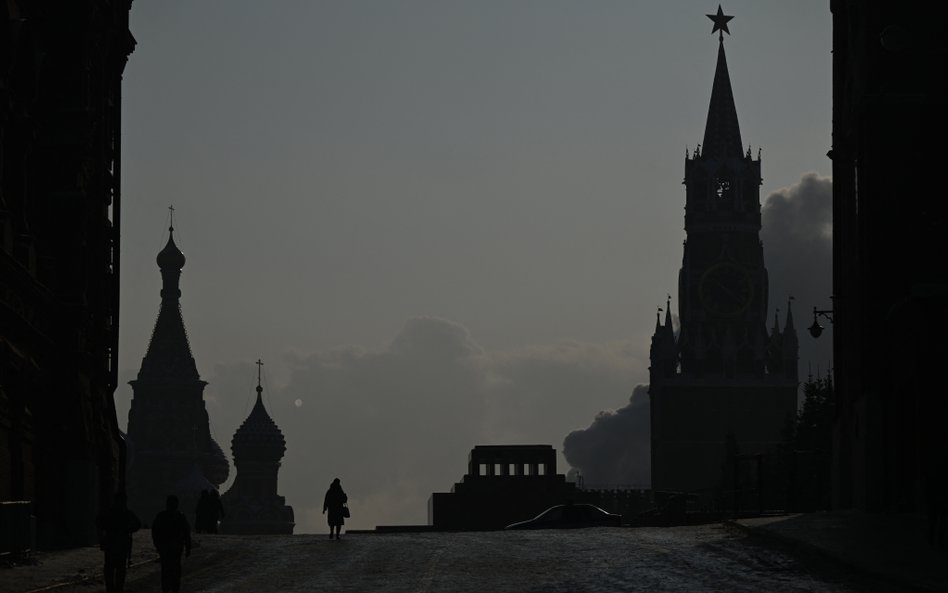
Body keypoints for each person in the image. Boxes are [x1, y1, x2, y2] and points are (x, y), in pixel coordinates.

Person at [96, 492, 141, 593]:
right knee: (118, 568)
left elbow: (98, 521)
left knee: (111, 568)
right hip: (119, 543)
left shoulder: (111, 512)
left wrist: (107, 528)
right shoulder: (125, 513)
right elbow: (137, 524)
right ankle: (116, 589)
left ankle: (112, 588)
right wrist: (128, 529)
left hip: (113, 543)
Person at [151, 495, 192, 593]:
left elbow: (155, 532)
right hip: (175, 549)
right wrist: (187, 547)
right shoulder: (180, 517)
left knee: (166, 571)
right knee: (175, 571)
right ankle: (173, 589)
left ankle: (167, 589)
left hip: (166, 549)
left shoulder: (161, 516)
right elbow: (186, 532)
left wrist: (158, 545)